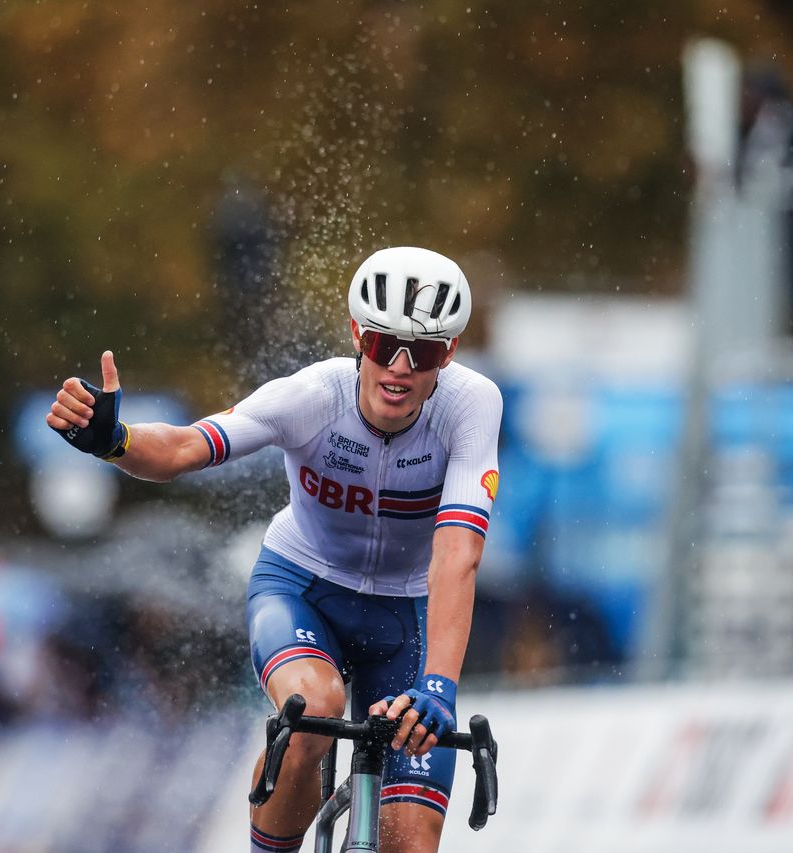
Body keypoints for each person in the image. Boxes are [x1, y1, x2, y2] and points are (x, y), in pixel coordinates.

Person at [45, 247, 502, 853]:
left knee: (412, 842)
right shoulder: (312, 397)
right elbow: (183, 449)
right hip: (303, 587)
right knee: (314, 707)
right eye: (380, 344)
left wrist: (438, 685)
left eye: (422, 353)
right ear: (354, 334)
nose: (398, 367)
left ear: (449, 354)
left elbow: (457, 556)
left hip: (406, 614)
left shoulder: (471, 405)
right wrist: (113, 440)